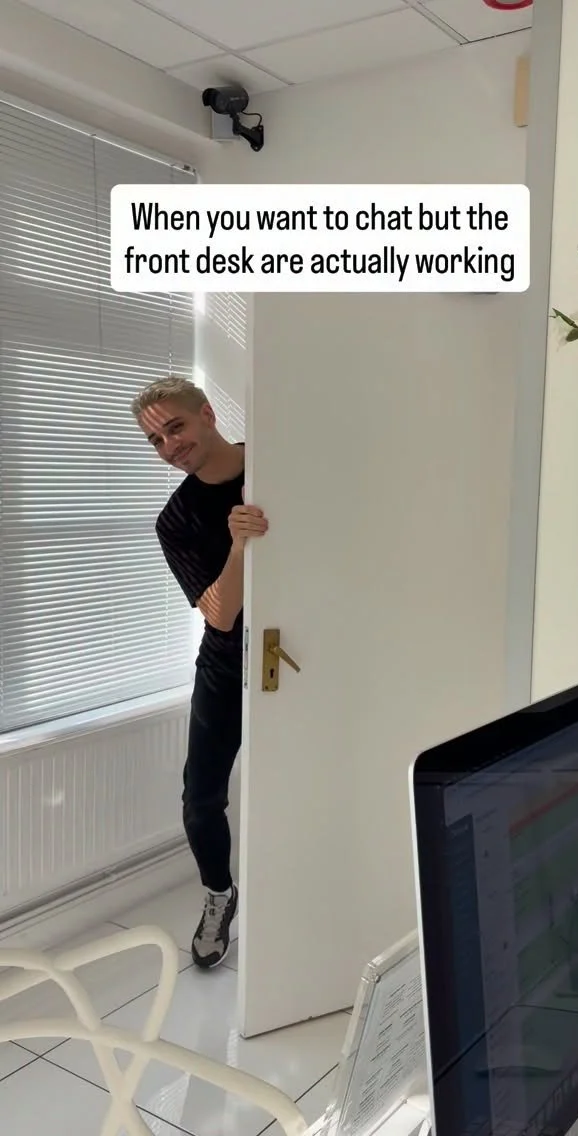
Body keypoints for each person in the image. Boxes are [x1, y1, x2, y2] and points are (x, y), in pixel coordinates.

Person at [130, 375, 268, 969]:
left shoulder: (278, 466)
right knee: (200, 798)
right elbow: (220, 613)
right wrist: (239, 546)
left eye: (175, 427)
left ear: (207, 414)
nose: (170, 446)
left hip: (298, 650)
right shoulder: (177, 519)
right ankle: (219, 894)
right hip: (227, 660)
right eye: (156, 441)